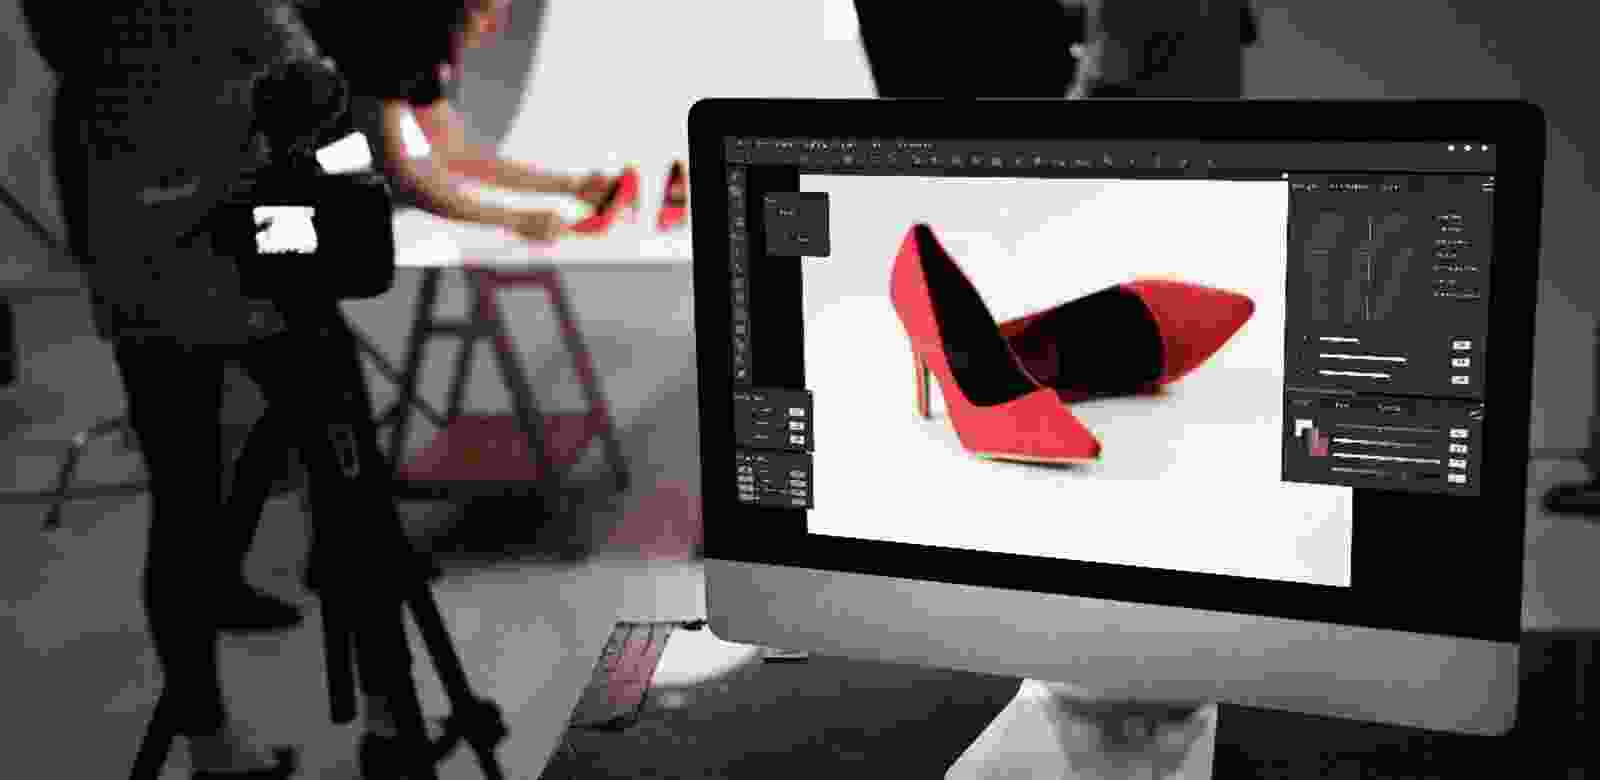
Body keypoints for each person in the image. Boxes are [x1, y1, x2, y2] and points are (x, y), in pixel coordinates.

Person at [26, 0, 615, 775]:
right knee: (350, 500)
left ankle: (213, 744)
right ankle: (391, 721)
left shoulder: (78, 37)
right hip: (263, 269)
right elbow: (317, 93)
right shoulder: (245, 18)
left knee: (185, 510)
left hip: (139, 275)